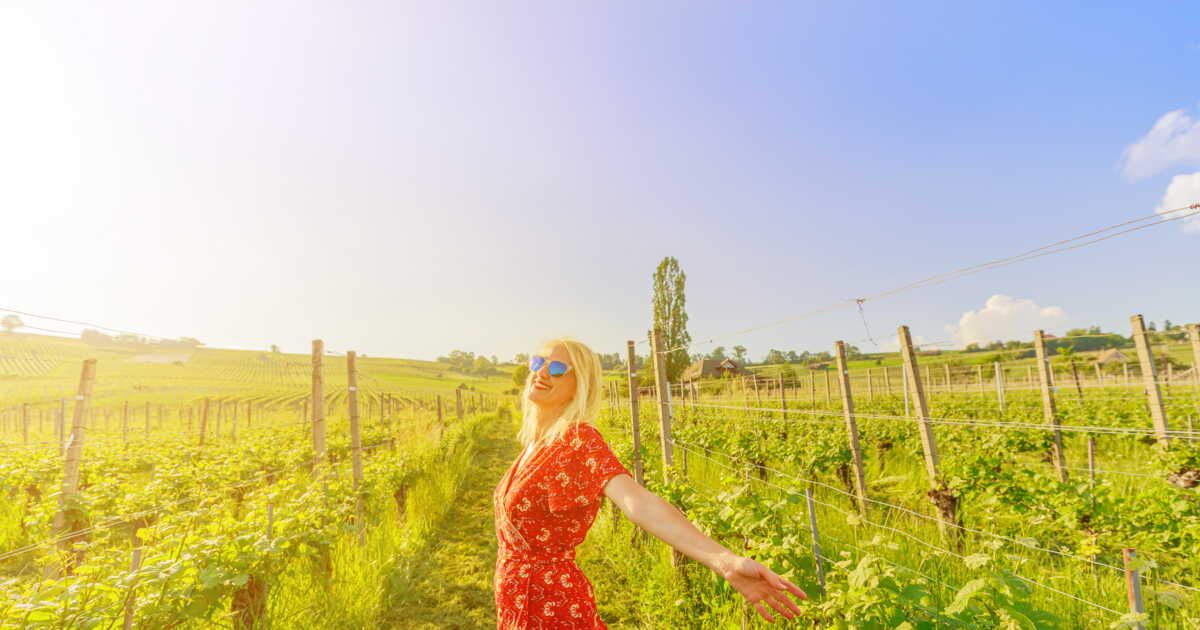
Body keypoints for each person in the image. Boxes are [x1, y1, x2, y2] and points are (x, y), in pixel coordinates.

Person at [493, 337, 806, 628]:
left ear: (580, 386)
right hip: (517, 598)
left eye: (558, 368)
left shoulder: (577, 440)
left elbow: (636, 502)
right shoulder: (536, 443)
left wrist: (724, 561)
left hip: (549, 604)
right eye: (538, 363)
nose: (543, 371)